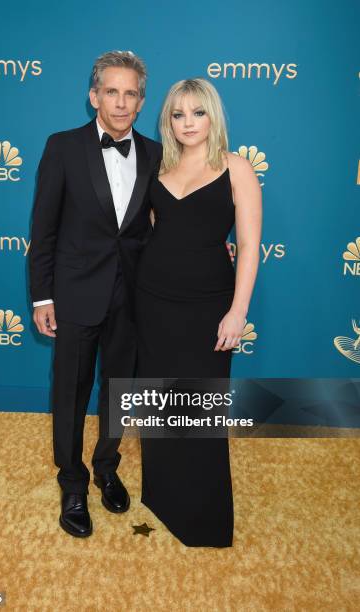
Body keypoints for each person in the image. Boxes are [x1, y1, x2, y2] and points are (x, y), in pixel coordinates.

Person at [28, 50, 162, 538]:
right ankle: (72, 482)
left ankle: (107, 465)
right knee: (70, 392)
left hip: (134, 297)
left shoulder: (153, 153)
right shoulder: (62, 147)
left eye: (130, 94)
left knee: (120, 391)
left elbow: (162, 227)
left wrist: (213, 252)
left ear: (142, 101)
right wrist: (43, 297)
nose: (121, 103)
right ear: (94, 96)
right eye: (111, 91)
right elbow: (43, 229)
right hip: (76, 294)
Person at [135, 78, 262, 547]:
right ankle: (163, 496)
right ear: (168, 120)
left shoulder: (236, 168)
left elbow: (248, 245)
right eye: (178, 114)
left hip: (209, 306)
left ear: (213, 118)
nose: (188, 123)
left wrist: (238, 311)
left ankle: (203, 518)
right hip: (152, 302)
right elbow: (154, 233)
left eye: (198, 113)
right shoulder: (158, 168)